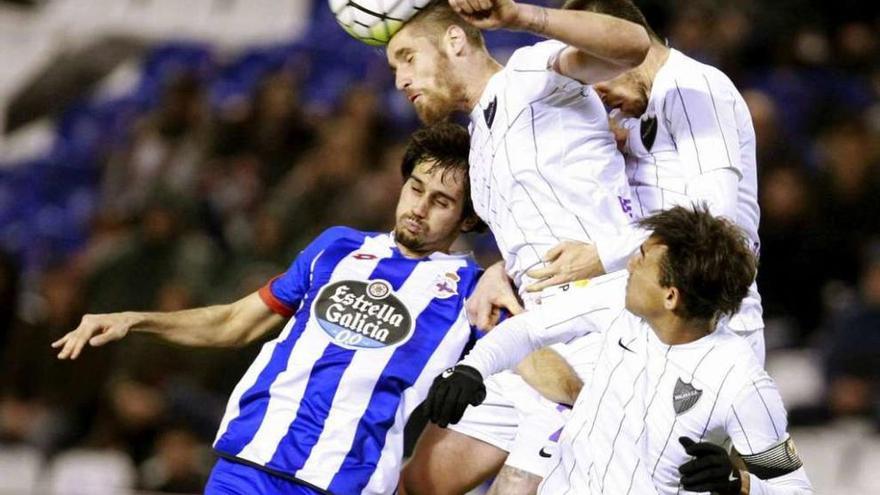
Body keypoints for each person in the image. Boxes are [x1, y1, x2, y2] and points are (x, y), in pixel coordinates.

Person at [51, 122, 484, 495]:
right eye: (416, 188)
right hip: (248, 461)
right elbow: (234, 322)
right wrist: (135, 319)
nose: (419, 208)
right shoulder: (337, 247)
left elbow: (523, 389)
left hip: (341, 482)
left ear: (467, 218)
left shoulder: (476, 291)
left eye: (441, 201)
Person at [385, 0, 651, 491]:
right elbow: (534, 227)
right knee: (416, 485)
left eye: (407, 57)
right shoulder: (479, 142)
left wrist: (519, 15)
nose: (401, 79)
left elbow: (634, 46)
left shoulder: (531, 74)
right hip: (535, 337)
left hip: (601, 338)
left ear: (455, 40)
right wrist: (499, 270)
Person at [427, 206, 814, 494]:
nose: (628, 264)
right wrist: (472, 369)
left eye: (642, 259)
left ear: (670, 295)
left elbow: (793, 487)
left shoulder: (742, 381)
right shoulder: (614, 298)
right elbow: (529, 330)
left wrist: (742, 483)